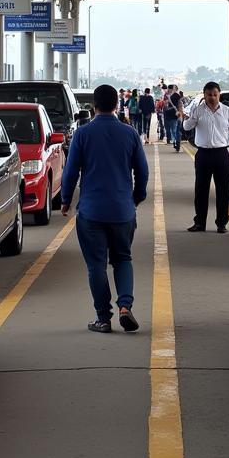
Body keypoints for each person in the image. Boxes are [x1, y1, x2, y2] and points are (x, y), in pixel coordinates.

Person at [61, 84, 148, 333]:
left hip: (91, 212)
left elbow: (71, 172)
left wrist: (66, 199)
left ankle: (103, 318)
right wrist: (137, 197)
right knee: (123, 258)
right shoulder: (129, 133)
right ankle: (125, 306)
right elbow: (142, 171)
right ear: (117, 105)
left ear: (93, 107)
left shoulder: (83, 134)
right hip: (123, 211)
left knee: (96, 265)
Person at [181, 81, 229, 233]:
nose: (212, 98)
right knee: (201, 190)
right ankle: (200, 223)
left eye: (215, 94)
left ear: (219, 94)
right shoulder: (198, 111)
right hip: (203, 154)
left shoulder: (227, 111)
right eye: (209, 95)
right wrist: (190, 119)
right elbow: (186, 127)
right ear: (204, 95)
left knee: (222, 191)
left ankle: (222, 223)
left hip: (222, 154)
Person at [166, 84, 184, 151]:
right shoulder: (176, 96)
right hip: (178, 115)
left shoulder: (174, 96)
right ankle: (177, 143)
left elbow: (177, 105)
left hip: (174, 116)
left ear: (174, 89)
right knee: (177, 130)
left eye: (172, 88)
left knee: (174, 130)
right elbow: (181, 105)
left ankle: (176, 143)